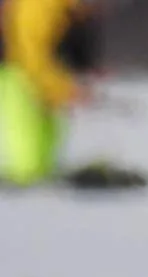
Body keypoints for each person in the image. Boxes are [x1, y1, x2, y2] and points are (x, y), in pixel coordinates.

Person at [1, 0, 104, 187]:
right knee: (27, 158)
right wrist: (64, 89)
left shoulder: (71, 10)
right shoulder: (41, 6)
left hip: (43, 77)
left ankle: (41, 188)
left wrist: (82, 72)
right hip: (19, 74)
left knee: (48, 149)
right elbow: (31, 56)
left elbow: (67, 47)